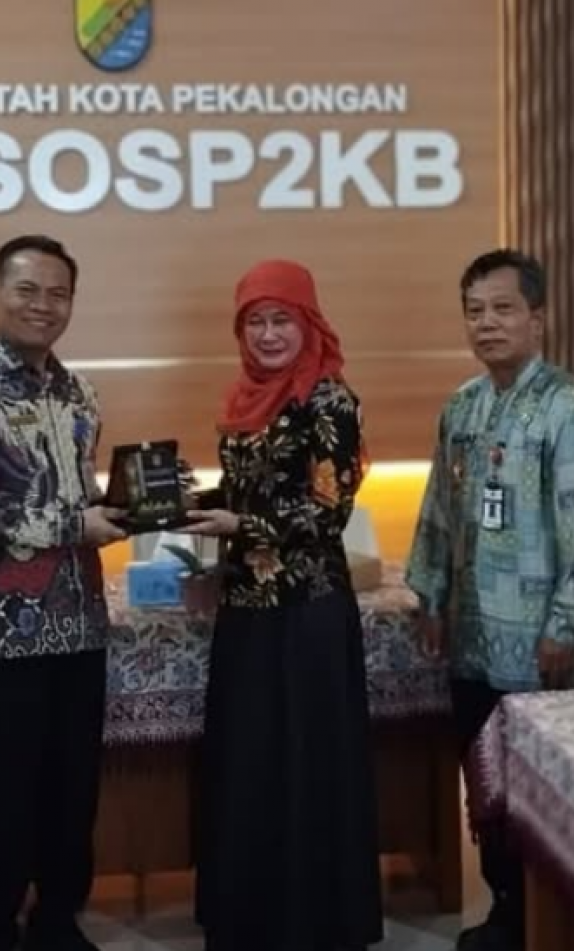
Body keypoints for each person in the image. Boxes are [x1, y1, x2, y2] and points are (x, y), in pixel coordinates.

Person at [0, 234, 127, 951]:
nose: (43, 305)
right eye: (27, 289)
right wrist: (76, 524)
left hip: (80, 625)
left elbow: (79, 494)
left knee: (70, 796)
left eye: (58, 293)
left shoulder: (80, 393)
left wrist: (133, 507)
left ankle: (56, 925)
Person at [406, 249, 574, 951]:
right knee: (486, 782)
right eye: (475, 311)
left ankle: (543, 924)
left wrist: (568, 623)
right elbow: (437, 510)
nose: (487, 324)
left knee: (539, 790)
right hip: (471, 636)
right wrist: (432, 597)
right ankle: (503, 911)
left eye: (503, 309)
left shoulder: (569, 407)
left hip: (538, 643)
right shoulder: (463, 405)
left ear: (537, 318)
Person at [181, 259, 384, 951]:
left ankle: (314, 923)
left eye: (281, 320)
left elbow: (326, 511)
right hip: (247, 609)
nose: (267, 335)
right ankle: (251, 917)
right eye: (255, 322)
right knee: (250, 762)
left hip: (307, 611)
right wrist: (184, 503)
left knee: (305, 763)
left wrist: (238, 524)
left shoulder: (330, 401)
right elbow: (247, 495)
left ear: (309, 323)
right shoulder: (246, 397)